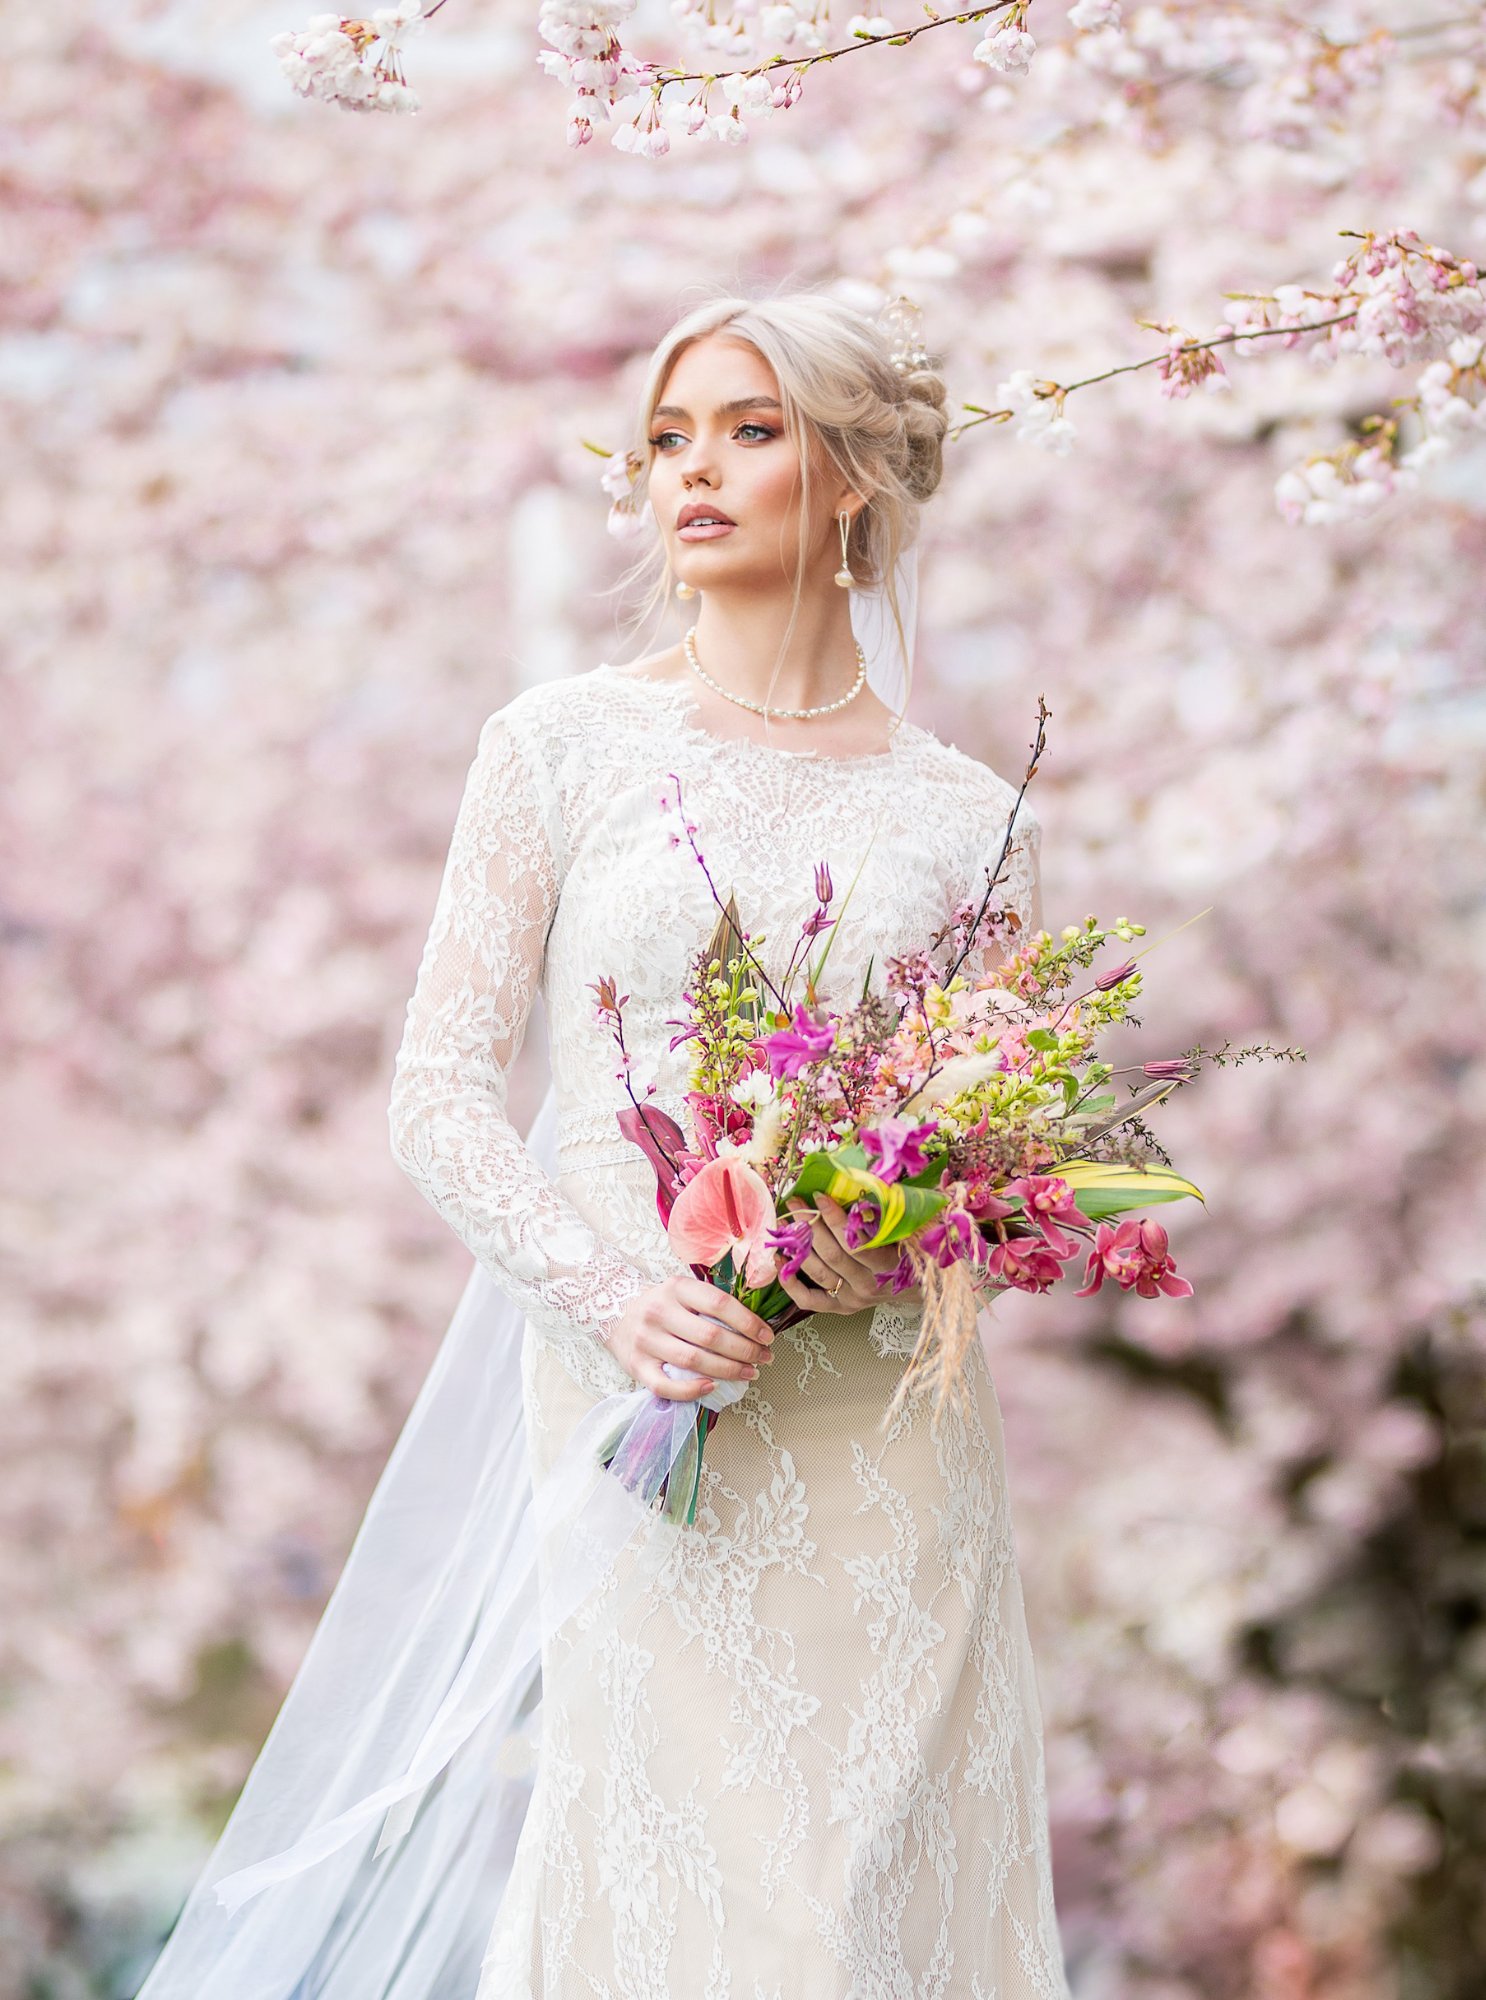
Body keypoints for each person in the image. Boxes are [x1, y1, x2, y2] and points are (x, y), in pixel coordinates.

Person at [134, 289, 1069, 2000]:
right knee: (700, 1914)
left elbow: (1001, 1177)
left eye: (746, 429)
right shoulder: (560, 746)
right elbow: (437, 1089)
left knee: (864, 1923)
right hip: (650, 1418)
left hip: (886, 1440)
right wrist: (620, 1296)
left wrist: (902, 1246)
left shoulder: (967, 816)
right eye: (662, 439)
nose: (687, 472)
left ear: (852, 476)